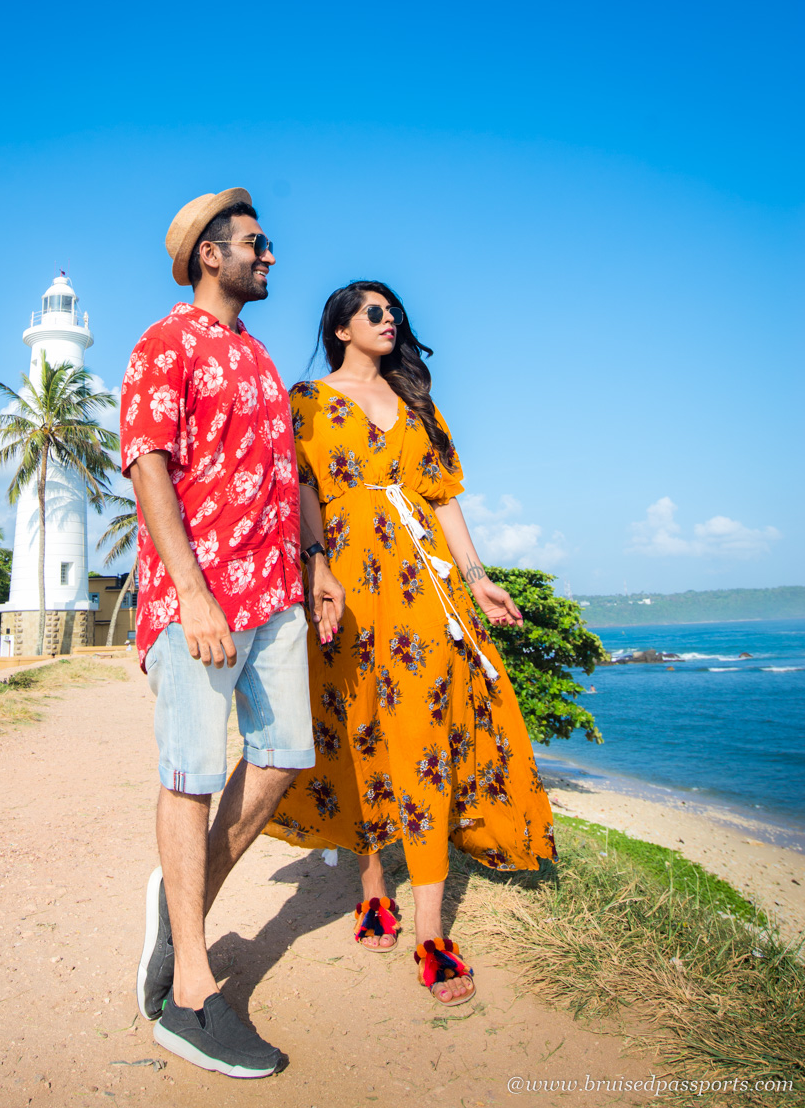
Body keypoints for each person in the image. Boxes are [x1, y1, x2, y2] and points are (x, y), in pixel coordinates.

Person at [265, 280, 557, 1007]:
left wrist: (480, 578)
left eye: (393, 311)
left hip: (424, 587)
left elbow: (443, 497)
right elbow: (301, 487)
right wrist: (316, 567)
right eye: (372, 312)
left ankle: (430, 928)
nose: (388, 319)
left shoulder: (417, 406)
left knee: (425, 733)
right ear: (339, 328)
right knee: (357, 731)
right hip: (347, 589)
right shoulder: (304, 399)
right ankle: (371, 885)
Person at [121, 188, 317, 1079]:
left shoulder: (261, 357)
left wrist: (315, 564)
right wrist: (192, 593)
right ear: (211, 255)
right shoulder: (164, 343)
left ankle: (180, 903)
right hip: (197, 600)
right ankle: (190, 995)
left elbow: (289, 474)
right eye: (255, 243)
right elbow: (147, 462)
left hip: (274, 597)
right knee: (192, 776)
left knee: (280, 761)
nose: (268, 255)